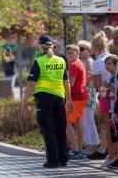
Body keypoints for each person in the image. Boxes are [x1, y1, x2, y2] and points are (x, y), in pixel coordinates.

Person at [22, 34, 73, 168]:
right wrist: (70, 99)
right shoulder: (61, 61)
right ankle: (63, 158)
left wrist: (24, 100)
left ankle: (53, 160)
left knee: (48, 129)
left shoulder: (39, 61)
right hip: (59, 97)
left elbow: (32, 83)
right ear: (51, 46)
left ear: (40, 46)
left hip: (44, 98)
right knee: (60, 127)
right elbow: (66, 82)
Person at [90, 31, 111, 164]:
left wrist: (91, 80)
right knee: (112, 124)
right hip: (114, 92)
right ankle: (104, 148)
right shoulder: (112, 57)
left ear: (95, 46)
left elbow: (97, 85)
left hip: (105, 94)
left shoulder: (98, 62)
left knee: (107, 124)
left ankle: (106, 151)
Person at [65, 45, 88, 159]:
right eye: (68, 52)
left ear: (77, 52)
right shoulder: (80, 62)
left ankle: (75, 150)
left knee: (67, 122)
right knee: (78, 123)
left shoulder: (74, 65)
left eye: (72, 52)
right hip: (82, 96)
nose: (69, 54)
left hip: (75, 97)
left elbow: (71, 84)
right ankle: (79, 149)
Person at [78, 40, 99, 155]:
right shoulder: (84, 61)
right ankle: (91, 144)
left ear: (88, 50)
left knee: (88, 119)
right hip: (85, 91)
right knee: (85, 119)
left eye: (82, 49)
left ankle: (94, 144)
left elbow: (90, 76)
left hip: (88, 92)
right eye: (78, 49)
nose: (79, 51)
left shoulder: (88, 61)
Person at [103, 54, 118, 167]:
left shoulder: (116, 77)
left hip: (115, 108)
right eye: (106, 64)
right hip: (112, 108)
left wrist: (108, 86)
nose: (106, 66)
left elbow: (116, 90)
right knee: (114, 133)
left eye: (109, 64)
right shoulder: (111, 77)